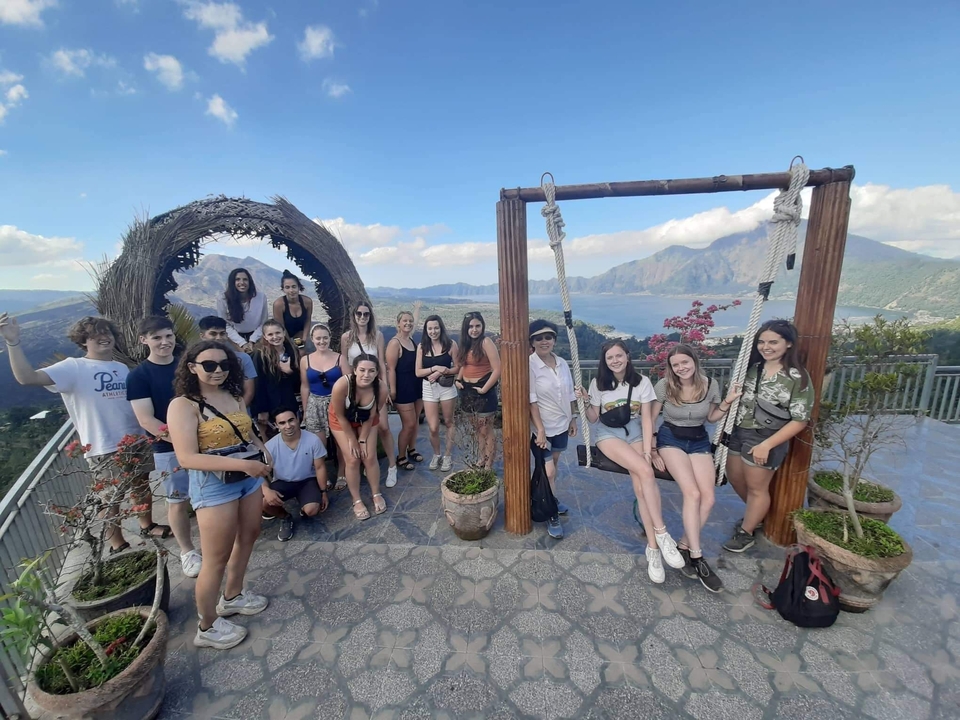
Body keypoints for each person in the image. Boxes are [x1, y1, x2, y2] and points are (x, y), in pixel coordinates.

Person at [0, 313, 164, 552]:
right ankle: (117, 544)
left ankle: (146, 525)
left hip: (135, 438)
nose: (103, 338)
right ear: (83, 341)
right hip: (103, 444)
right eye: (95, 335)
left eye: (107, 333)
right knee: (112, 498)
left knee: (141, 486)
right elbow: (27, 378)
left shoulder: (120, 367)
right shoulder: (73, 367)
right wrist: (12, 342)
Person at [167, 340, 272, 650]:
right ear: (192, 367)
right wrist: (242, 464)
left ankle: (234, 594)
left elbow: (247, 430)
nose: (218, 371)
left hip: (247, 476)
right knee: (215, 557)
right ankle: (207, 624)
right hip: (215, 484)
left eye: (224, 364)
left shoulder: (234, 395)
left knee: (249, 534)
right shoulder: (183, 405)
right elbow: (187, 457)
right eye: (209, 365)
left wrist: (263, 450)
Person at [576, 340, 685, 583]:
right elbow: (594, 418)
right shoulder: (599, 383)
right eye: (609, 358)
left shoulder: (642, 382)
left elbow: (647, 419)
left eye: (618, 356)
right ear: (604, 361)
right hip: (608, 435)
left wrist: (648, 450)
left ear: (627, 355)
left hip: (635, 432)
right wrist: (584, 399)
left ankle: (653, 549)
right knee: (645, 473)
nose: (614, 361)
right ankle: (662, 534)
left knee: (642, 484)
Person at [650, 344, 741, 593]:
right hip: (671, 439)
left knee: (709, 498)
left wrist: (727, 402)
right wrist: (653, 449)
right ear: (671, 367)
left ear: (694, 361)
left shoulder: (709, 384)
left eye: (684, 363)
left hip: (699, 439)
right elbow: (649, 417)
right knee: (693, 494)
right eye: (676, 365)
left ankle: (683, 546)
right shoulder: (664, 386)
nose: (681, 368)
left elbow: (711, 418)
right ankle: (698, 558)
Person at [723, 319, 814, 553]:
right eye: (762, 342)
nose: (766, 346)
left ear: (789, 344)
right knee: (734, 477)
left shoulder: (797, 378)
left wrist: (767, 445)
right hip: (740, 430)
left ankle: (747, 531)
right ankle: (758, 515)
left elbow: (800, 419)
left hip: (767, 436)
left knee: (757, 488)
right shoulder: (753, 369)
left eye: (774, 342)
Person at [127, 315, 202, 578]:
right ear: (144, 340)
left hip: (203, 438)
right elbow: (146, 419)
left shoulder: (186, 366)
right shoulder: (139, 376)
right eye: (157, 337)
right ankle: (188, 551)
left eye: (168, 336)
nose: (164, 342)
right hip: (168, 449)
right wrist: (182, 439)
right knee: (178, 499)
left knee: (208, 492)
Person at [527, 320, 577, 540]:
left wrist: (573, 418)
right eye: (538, 338)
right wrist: (539, 429)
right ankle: (551, 512)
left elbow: (569, 394)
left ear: (554, 340)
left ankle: (550, 497)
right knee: (548, 471)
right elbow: (532, 400)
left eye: (548, 337)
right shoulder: (529, 364)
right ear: (532, 342)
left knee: (553, 467)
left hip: (562, 425)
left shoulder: (562, 363)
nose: (544, 341)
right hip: (542, 429)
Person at [340, 301, 397, 488]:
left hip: (374, 386)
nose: (362, 317)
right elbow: (346, 364)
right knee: (359, 426)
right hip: (356, 388)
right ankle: (367, 463)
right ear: (354, 316)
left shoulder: (377, 336)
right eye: (359, 314)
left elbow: (381, 363)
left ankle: (392, 465)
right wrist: (348, 389)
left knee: (383, 427)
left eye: (366, 314)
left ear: (370, 316)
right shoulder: (346, 338)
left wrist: (385, 387)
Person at [329, 353, 389, 520]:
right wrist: (352, 440)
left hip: (366, 420)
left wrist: (362, 439)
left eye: (371, 371)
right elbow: (340, 416)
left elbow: (372, 416)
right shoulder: (342, 385)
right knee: (353, 458)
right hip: (341, 420)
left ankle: (376, 493)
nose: (366, 375)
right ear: (354, 370)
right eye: (362, 370)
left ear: (377, 372)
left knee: (369, 456)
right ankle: (356, 500)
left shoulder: (381, 388)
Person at [262, 407, 329, 542]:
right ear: (276, 425)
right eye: (282, 423)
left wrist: (324, 492)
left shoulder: (313, 440)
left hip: (307, 480)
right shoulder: (270, 446)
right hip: (282, 482)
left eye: (291, 420)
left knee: (312, 510)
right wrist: (266, 490)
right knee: (263, 502)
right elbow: (260, 473)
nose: (288, 426)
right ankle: (285, 517)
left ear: (298, 419)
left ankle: (304, 507)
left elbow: (320, 467)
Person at [300, 323, 346, 489]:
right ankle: (323, 475)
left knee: (341, 441)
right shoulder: (305, 360)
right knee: (318, 445)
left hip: (336, 403)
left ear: (329, 338)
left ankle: (342, 472)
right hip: (315, 404)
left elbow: (348, 383)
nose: (322, 341)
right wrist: (305, 411)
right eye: (318, 338)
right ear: (313, 339)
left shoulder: (340, 358)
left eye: (325, 337)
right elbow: (305, 386)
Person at [456, 312, 501, 470]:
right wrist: (457, 380)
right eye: (470, 326)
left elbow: (497, 369)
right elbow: (463, 364)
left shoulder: (486, 342)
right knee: (477, 429)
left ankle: (489, 464)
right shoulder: (466, 343)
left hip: (483, 391)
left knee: (486, 430)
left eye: (477, 326)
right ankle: (482, 458)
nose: (474, 330)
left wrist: (484, 389)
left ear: (482, 326)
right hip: (467, 391)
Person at [416, 315, 459, 472]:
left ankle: (447, 455)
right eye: (430, 328)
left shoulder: (451, 344)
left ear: (441, 328)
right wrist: (435, 368)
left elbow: (458, 367)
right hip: (429, 388)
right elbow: (418, 372)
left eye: (436, 328)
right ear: (426, 330)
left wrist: (445, 370)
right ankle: (437, 454)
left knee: (448, 422)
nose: (433, 331)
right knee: (433, 427)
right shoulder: (422, 347)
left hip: (446, 387)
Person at [386, 306, 424, 474]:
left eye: (410, 321)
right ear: (398, 324)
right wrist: (392, 390)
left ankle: (412, 448)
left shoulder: (411, 340)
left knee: (415, 422)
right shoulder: (395, 343)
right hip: (403, 388)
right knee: (408, 424)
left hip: (417, 386)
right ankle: (401, 456)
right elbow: (391, 369)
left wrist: (416, 310)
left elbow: (412, 326)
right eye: (405, 321)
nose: (408, 323)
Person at [251, 320, 300, 438]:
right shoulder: (260, 354)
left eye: (278, 333)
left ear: (284, 332)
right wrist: (261, 410)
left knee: (291, 436)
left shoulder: (292, 351)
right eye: (270, 334)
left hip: (288, 402)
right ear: (265, 337)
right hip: (269, 404)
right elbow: (258, 383)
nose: (275, 337)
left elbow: (298, 383)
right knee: (270, 438)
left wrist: (289, 371)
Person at [198, 316, 256, 408]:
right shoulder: (195, 361)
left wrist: (238, 412)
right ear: (202, 336)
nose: (218, 338)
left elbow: (249, 392)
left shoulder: (243, 358)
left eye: (222, 334)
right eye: (213, 334)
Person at [215, 268, 268, 352]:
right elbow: (224, 324)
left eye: (245, 279)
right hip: (233, 337)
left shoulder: (261, 297)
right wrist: (242, 343)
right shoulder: (223, 299)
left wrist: (252, 340)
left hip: (258, 337)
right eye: (237, 279)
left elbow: (263, 322)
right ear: (232, 282)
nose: (242, 282)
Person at [272, 270, 313, 353]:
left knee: (301, 352)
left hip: (298, 335)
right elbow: (280, 326)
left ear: (299, 287)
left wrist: (305, 337)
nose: (291, 290)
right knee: (288, 354)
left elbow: (307, 320)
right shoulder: (279, 304)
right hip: (282, 335)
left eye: (294, 286)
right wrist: (289, 343)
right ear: (283, 289)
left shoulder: (307, 302)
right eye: (287, 287)